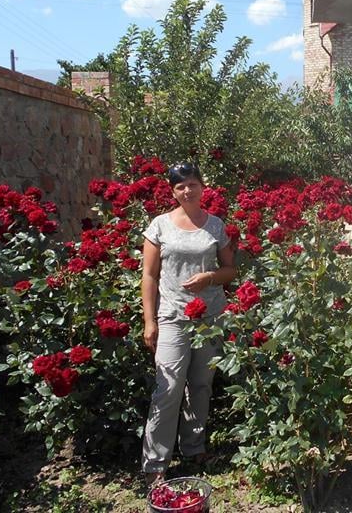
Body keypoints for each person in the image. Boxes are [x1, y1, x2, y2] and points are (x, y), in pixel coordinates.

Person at [140, 162, 236, 484]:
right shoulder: (159, 226)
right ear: (173, 191)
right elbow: (149, 276)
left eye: (192, 184)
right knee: (167, 389)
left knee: (200, 385)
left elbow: (230, 271)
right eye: (180, 186)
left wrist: (209, 277)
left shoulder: (215, 226)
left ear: (202, 187)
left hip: (209, 318)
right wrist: (149, 321)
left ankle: (194, 448)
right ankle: (155, 464)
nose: (187, 190)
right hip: (172, 318)